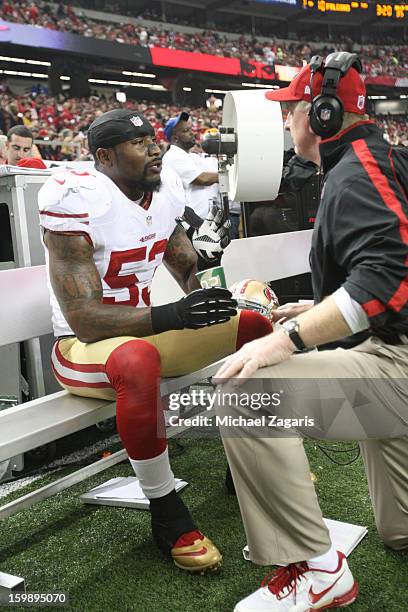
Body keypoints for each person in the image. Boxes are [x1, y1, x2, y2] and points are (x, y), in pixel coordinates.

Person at [37, 108, 272, 574]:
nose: (155, 147)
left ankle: (244, 463)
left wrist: (224, 300)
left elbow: (186, 271)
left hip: (143, 336)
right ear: (104, 156)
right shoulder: (77, 197)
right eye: (138, 141)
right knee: (139, 359)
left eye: (153, 139)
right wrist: (174, 314)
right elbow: (83, 320)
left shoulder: (160, 195)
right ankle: (167, 513)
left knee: (255, 328)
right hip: (80, 351)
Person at [213, 53, 408, 610]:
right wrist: (317, 310)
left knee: (244, 390)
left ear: (321, 114)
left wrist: (285, 340)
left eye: (292, 109)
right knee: (401, 531)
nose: (287, 121)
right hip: (394, 351)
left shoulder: (356, 173)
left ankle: (317, 569)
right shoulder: (379, 159)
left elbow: (389, 279)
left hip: (397, 363)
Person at [162, 112, 219, 219]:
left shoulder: (191, 156)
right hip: (191, 223)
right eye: (186, 131)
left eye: (190, 129)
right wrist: (227, 175)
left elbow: (214, 168)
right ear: (175, 139)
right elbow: (203, 179)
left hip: (203, 219)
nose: (192, 133)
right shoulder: (173, 157)